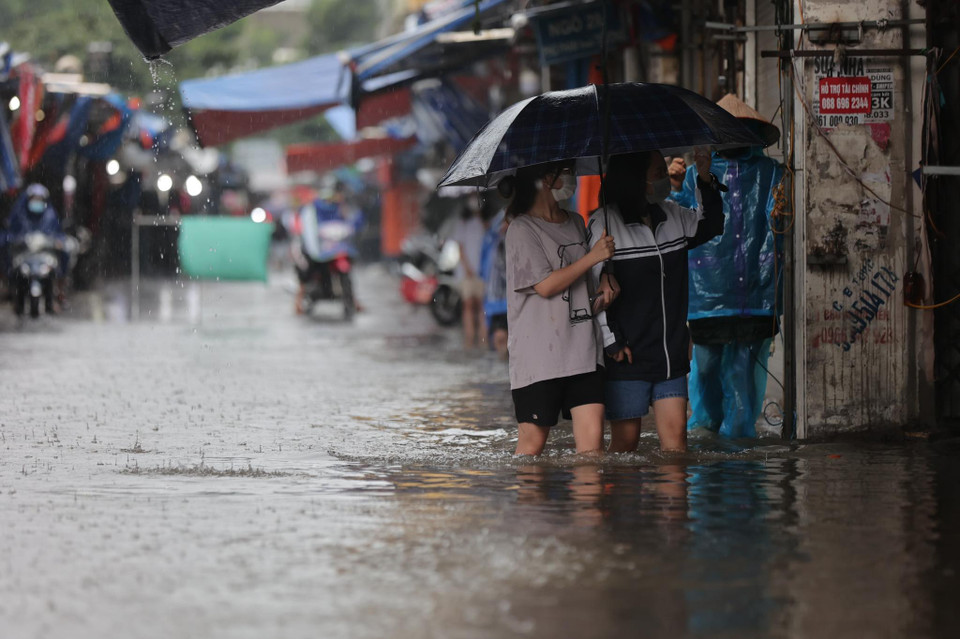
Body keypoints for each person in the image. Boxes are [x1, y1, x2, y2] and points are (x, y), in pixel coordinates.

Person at [588, 149, 724, 453]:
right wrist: (612, 342)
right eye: (658, 174)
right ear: (636, 180)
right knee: (625, 445)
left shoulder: (672, 214)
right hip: (628, 356)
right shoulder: (604, 225)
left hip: (670, 355)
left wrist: (703, 178)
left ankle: (672, 504)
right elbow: (593, 295)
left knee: (677, 448)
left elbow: (712, 224)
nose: (665, 179)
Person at [668, 95, 783, 438]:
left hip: (758, 291)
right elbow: (678, 222)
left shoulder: (772, 174)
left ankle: (739, 439)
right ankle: (705, 427)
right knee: (705, 367)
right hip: (707, 294)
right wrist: (674, 188)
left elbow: (781, 224)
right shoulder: (692, 177)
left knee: (744, 372)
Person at [501, 160, 616, 456]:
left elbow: (584, 281)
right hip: (539, 358)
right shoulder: (521, 229)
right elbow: (546, 286)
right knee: (531, 448)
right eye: (566, 171)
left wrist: (605, 279)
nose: (572, 177)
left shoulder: (577, 222)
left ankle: (588, 505)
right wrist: (592, 257)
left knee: (593, 452)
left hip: (584, 351)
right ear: (545, 178)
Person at [4, 183, 68, 313]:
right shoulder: (20, 215)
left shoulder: (50, 216)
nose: (37, 203)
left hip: (45, 256)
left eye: (40, 200)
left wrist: (58, 242)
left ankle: (59, 291)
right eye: (34, 199)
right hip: (24, 256)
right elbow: (9, 234)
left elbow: (59, 236)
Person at [450, 197, 487, 349]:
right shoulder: (462, 223)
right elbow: (460, 248)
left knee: (481, 305)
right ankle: (470, 338)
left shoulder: (486, 223)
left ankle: (483, 339)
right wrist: (467, 268)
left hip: (483, 272)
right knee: (468, 304)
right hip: (467, 273)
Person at [478, 208, 509, 359]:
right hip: (497, 299)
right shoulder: (496, 241)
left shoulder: (495, 240)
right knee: (499, 335)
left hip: (501, 300)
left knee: (500, 335)